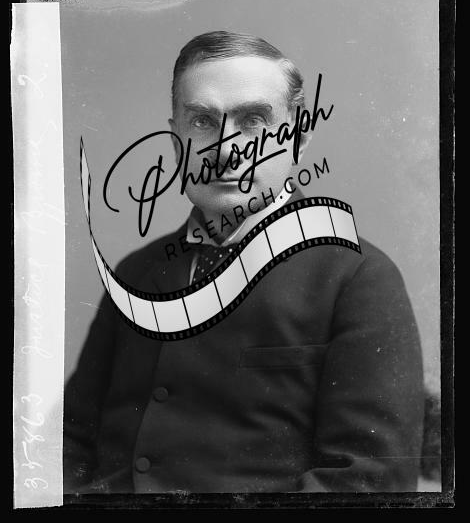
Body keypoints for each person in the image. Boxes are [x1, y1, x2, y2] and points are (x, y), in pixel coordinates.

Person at [64, 31, 424, 494]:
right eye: (202, 121)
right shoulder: (137, 272)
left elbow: (370, 480)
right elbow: (69, 445)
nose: (225, 149)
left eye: (253, 120)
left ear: (298, 140)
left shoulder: (357, 276)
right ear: (175, 140)